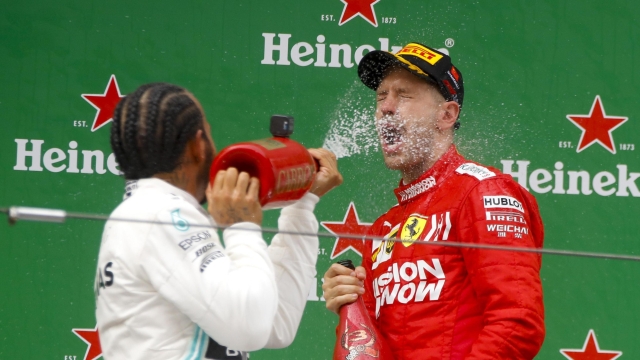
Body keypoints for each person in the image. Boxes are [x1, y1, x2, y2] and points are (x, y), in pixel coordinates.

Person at [322, 43, 545, 359]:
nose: (386, 107)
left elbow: (517, 321)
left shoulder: (483, 192)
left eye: (403, 95)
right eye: (381, 96)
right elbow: (366, 350)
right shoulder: (383, 229)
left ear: (446, 115)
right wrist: (351, 306)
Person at [94, 82, 343, 359]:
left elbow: (275, 323)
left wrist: (302, 206)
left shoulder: (152, 213)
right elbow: (252, 326)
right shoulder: (160, 215)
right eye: (210, 134)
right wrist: (241, 225)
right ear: (196, 145)